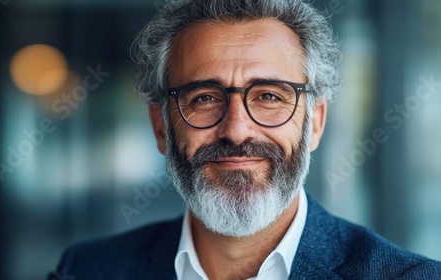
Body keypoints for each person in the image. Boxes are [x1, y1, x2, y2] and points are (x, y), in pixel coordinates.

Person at [48, 0, 441, 279]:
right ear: (161, 127)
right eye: (203, 98)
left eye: (269, 96)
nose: (236, 130)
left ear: (315, 123)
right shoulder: (85, 270)